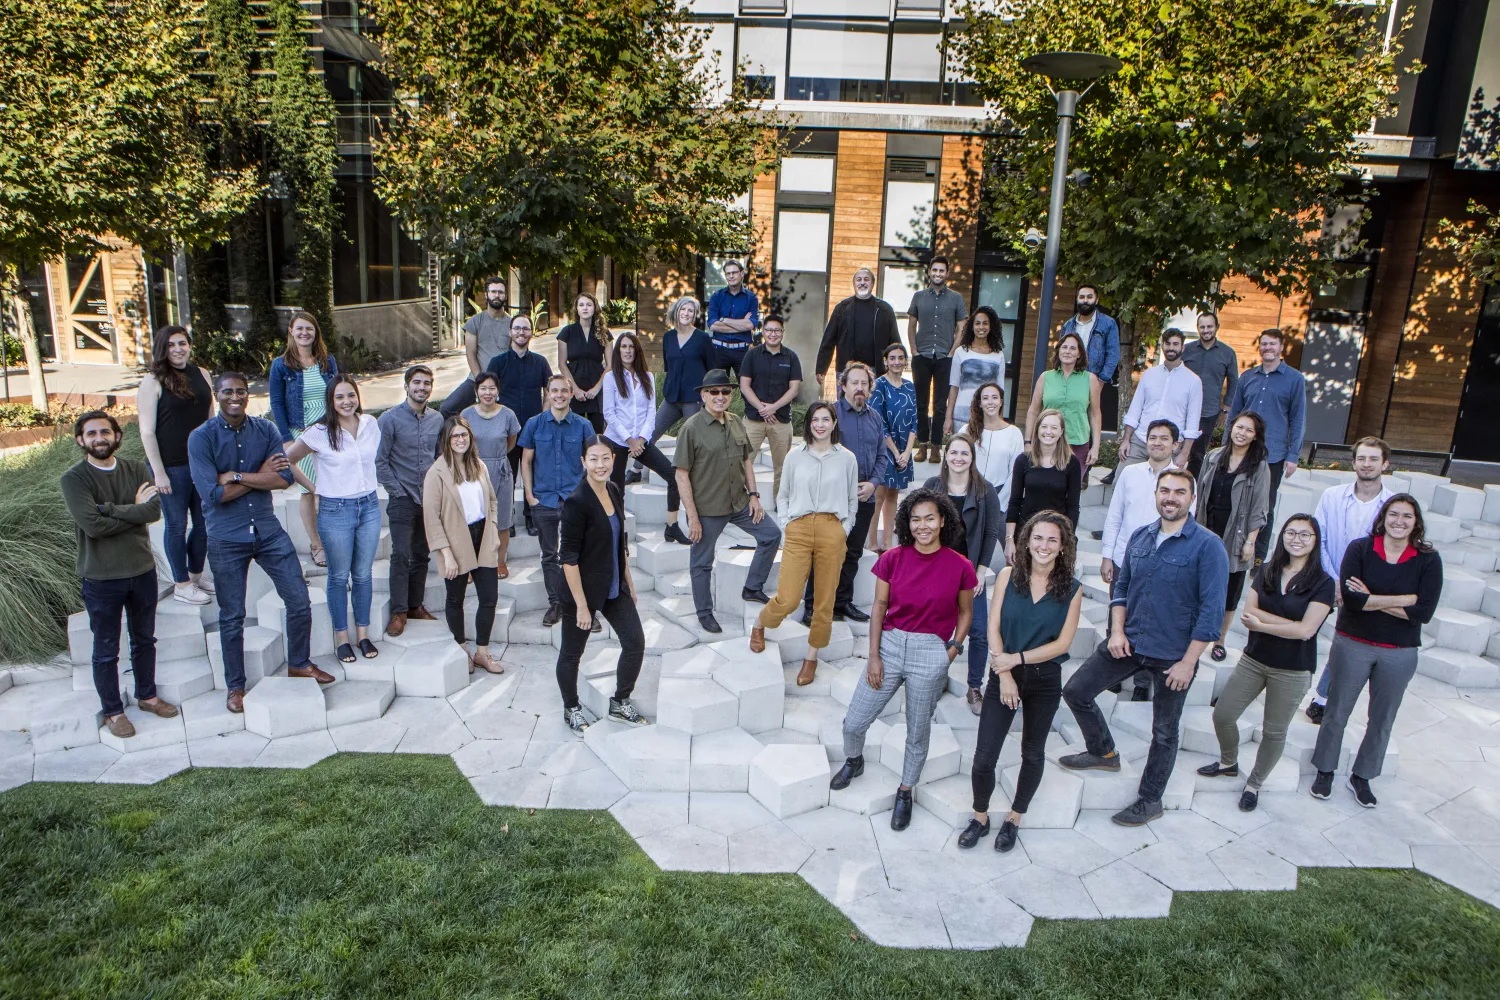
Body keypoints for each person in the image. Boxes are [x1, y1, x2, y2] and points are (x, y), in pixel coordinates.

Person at [1058, 468, 1228, 827]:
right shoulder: (1141, 537)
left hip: (1174, 657)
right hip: (1130, 642)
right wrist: (1116, 632)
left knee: (1164, 732)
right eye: (1164, 490)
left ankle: (1151, 800)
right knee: (1076, 691)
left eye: (1179, 492)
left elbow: (1212, 613)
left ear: (1192, 498)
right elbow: (1121, 590)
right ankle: (1103, 751)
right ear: (1155, 495)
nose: (1170, 497)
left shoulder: (1208, 546)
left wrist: (1188, 663)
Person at [830, 489, 976, 831]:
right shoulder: (893, 558)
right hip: (892, 644)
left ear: (942, 521)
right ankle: (855, 759)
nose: (922, 525)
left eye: (930, 518)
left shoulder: (960, 566)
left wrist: (951, 651)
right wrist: (874, 656)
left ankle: (905, 790)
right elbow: (879, 608)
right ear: (906, 523)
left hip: (932, 650)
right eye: (915, 519)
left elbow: (966, 611)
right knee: (854, 722)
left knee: (917, 729)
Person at [189, 372, 330, 714]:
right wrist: (259, 476)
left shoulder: (265, 430)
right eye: (227, 392)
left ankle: (299, 663)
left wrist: (237, 475)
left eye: (240, 391)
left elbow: (282, 479)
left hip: (267, 532)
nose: (234, 397)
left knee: (299, 599)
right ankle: (235, 687)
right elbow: (213, 494)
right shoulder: (201, 438)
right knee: (232, 615)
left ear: (247, 395)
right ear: (216, 395)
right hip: (226, 538)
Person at [960, 511, 1082, 852]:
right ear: (1027, 541)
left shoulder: (1072, 589)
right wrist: (1007, 673)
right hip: (1004, 675)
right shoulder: (1008, 576)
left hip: (1045, 679)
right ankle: (980, 817)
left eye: (1052, 540)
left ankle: (1014, 817)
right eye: (1038, 538)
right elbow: (993, 627)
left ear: (1062, 547)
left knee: (1032, 752)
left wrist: (1019, 660)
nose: (1044, 545)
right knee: (985, 755)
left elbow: (1062, 644)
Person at [1311, 494, 1441, 809]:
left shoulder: (1428, 558)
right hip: (1353, 642)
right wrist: (1404, 599)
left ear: (1416, 522)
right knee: (1337, 711)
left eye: (1407, 516)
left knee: (1382, 718)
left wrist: (1375, 598)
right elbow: (1354, 601)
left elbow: (1423, 612)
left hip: (1400, 651)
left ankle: (1363, 776)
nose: (1399, 521)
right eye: (1393, 514)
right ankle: (1325, 770)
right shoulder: (1361, 549)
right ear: (1382, 517)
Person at [1198, 515, 1334, 812]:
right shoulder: (1268, 570)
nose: (1296, 539)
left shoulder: (1323, 583)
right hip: (1254, 659)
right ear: (1282, 535)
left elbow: (1307, 631)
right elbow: (1249, 612)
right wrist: (1288, 624)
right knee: (1223, 715)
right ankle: (1229, 761)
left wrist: (1264, 624)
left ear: (1315, 540)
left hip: (1293, 669)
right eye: (1291, 532)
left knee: (1274, 732)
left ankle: (1255, 783)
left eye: (1305, 534)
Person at [59, 411, 178, 738]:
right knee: (106, 648)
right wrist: (131, 511)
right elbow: (93, 527)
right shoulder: (74, 479)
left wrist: (109, 508)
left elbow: (152, 512)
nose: (99, 438)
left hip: (141, 570)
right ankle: (113, 711)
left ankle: (147, 696)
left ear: (116, 436)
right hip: (101, 577)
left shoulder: (137, 469)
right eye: (92, 433)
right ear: (81, 440)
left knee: (144, 639)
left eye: (105, 432)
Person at [751, 402, 859, 686]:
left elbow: (852, 499)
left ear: (834, 423)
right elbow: (782, 493)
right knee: (789, 597)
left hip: (832, 529)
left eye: (826, 419)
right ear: (808, 423)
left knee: (824, 601)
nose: (820, 424)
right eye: (815, 419)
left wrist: (844, 529)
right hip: (799, 527)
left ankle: (811, 658)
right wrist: (787, 523)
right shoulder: (794, 456)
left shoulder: (847, 458)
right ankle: (760, 624)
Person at [674, 369, 782, 634]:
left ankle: (752, 588)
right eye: (714, 392)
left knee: (771, 535)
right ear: (703, 395)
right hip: (708, 508)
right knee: (701, 562)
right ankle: (704, 612)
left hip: (739, 502)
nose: (720, 396)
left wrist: (755, 496)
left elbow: (746, 459)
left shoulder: (735, 421)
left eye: (725, 391)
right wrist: (692, 516)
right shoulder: (691, 429)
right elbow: (681, 474)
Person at [284, 375, 383, 664]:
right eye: (339, 397)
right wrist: (315, 489)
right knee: (339, 576)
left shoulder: (370, 425)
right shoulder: (319, 432)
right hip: (335, 510)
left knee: (363, 574)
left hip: (368, 507)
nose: (346, 401)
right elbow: (287, 459)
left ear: (358, 396)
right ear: (331, 400)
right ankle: (342, 638)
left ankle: (362, 635)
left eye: (350, 395)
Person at [556, 437, 651, 735]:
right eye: (593, 459)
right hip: (580, 591)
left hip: (612, 585)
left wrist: (629, 582)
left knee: (635, 642)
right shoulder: (576, 502)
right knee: (572, 654)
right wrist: (583, 607)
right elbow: (568, 559)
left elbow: (618, 541)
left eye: (606, 458)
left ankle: (620, 701)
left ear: (613, 459)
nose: (600, 465)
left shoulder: (613, 489)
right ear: (583, 461)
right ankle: (571, 707)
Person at [1307, 436, 1395, 722]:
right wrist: (1333, 580)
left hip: (1363, 587)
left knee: (1343, 645)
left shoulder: (1391, 505)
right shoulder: (1332, 496)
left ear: (1385, 464)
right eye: (1361, 458)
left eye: (1373, 459)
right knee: (1303, 634)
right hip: (1325, 577)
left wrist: (1357, 589)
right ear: (1353, 462)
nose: (1366, 464)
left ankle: (1322, 699)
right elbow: (1318, 537)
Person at [1099, 418, 1181, 703]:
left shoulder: (1182, 480)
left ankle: (1142, 682)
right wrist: (1107, 555)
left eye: (1164, 438)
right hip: (1125, 558)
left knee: (1149, 621)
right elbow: (1115, 517)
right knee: (1117, 614)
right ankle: (1113, 672)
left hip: (1161, 565)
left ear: (1175, 444)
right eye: (1153, 437)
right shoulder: (1130, 473)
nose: (1157, 442)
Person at [802, 362, 888, 626]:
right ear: (843, 386)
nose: (859, 388)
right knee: (827, 551)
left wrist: (873, 483)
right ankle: (812, 606)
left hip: (866, 498)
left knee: (852, 553)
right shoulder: (831, 415)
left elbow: (882, 457)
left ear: (870, 388)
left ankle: (841, 603)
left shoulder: (875, 417)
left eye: (864, 383)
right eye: (854, 383)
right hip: (836, 498)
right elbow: (819, 455)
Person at [924, 433, 1003, 716]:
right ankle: (935, 679)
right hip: (938, 572)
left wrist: (981, 571)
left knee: (979, 631)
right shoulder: (933, 487)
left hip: (970, 574)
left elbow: (992, 532)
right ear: (946, 455)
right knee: (937, 630)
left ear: (972, 458)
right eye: (953, 452)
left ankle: (974, 687)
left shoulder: (985, 490)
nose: (958, 458)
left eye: (964, 453)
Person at [136, 325, 215, 605]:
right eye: (171, 345)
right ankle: (181, 583)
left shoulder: (202, 374)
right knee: (176, 525)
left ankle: (195, 574)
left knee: (205, 522)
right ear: (162, 349)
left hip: (201, 463)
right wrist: (158, 472)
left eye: (182, 343)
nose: (178, 349)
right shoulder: (153, 381)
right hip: (171, 466)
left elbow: (210, 420)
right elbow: (147, 431)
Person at [423, 416, 503, 675]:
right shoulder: (436, 473)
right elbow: (431, 517)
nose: (460, 440)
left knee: (489, 598)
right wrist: (446, 554)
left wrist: (493, 530)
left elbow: (491, 500)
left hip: (483, 535)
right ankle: (462, 649)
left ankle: (482, 652)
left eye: (464, 435)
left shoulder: (478, 465)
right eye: (455, 436)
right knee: (455, 599)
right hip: (455, 541)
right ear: (446, 440)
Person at [1226, 327, 1306, 561]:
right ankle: (1232, 548)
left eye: (1272, 344)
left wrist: (1293, 455)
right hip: (1242, 450)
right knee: (1236, 499)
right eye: (1264, 344)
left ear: (1281, 348)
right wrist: (1225, 445)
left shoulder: (1294, 379)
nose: (1267, 348)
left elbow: (1298, 418)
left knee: (1265, 507)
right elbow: (1234, 414)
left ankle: (1258, 557)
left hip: (1273, 453)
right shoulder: (1248, 377)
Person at [1196, 411, 1271, 661]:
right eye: (1240, 427)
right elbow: (1199, 495)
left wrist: (1251, 541)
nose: (1242, 433)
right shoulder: (1213, 456)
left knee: (1230, 591)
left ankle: (1219, 640)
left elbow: (1260, 508)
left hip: (1236, 536)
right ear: (1232, 428)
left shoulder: (1259, 467)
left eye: (1249, 430)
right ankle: (1193, 634)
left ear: (1255, 436)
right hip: (1207, 528)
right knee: (1199, 584)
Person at [267, 311, 340, 568]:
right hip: (301, 433)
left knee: (332, 486)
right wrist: (286, 438)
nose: (304, 333)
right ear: (291, 332)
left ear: (315, 332)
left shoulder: (327, 361)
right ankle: (317, 545)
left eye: (309, 329)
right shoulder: (281, 365)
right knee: (309, 489)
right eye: (299, 329)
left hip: (329, 431)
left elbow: (338, 393)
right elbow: (276, 403)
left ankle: (336, 540)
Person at [376, 365, 444, 636]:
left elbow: (439, 457)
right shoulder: (389, 420)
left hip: (428, 497)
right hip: (401, 496)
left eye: (427, 383)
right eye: (417, 382)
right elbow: (380, 461)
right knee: (400, 554)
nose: (422, 387)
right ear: (406, 386)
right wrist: (397, 490)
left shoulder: (437, 420)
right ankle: (399, 612)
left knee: (422, 555)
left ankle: (416, 606)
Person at [520, 375, 593, 627]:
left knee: (580, 553)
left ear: (571, 393)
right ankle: (556, 604)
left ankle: (584, 606)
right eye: (554, 390)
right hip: (545, 499)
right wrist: (530, 496)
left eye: (564, 391)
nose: (559, 395)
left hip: (575, 500)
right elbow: (526, 461)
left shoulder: (583, 426)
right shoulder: (534, 424)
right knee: (549, 555)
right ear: (548, 394)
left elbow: (592, 463)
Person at [602, 331, 688, 544]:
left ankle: (672, 526)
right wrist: (629, 439)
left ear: (637, 350)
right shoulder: (611, 378)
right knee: (616, 490)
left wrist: (641, 439)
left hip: (641, 441)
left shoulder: (647, 377)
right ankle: (617, 534)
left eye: (631, 347)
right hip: (617, 440)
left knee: (673, 476)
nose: (627, 351)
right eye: (623, 347)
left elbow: (651, 412)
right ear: (618, 351)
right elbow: (609, 413)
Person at [486, 313, 553, 535]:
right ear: (510, 332)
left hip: (533, 429)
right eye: (517, 328)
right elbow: (489, 393)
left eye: (525, 328)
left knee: (532, 474)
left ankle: (531, 516)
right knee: (508, 476)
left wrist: (543, 418)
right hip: (506, 430)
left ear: (531, 333)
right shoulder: (498, 362)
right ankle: (508, 520)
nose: (521, 332)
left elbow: (549, 391)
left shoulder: (540, 362)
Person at [461, 372, 522, 578]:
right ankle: (470, 564)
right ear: (477, 391)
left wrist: (498, 457)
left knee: (502, 520)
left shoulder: (508, 415)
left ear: (498, 390)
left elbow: (511, 441)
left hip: (501, 470)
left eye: (492, 388)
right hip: (473, 471)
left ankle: (499, 562)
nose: (488, 393)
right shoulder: (466, 415)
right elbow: (460, 441)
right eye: (483, 388)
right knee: (473, 520)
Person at [738, 313, 803, 506]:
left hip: (781, 420)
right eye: (768, 330)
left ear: (783, 332)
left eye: (776, 330)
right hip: (753, 419)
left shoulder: (791, 357)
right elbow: (744, 385)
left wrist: (773, 408)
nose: (772, 334)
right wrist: (762, 408)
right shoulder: (752, 355)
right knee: (742, 462)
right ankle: (739, 504)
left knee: (782, 467)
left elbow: (794, 389)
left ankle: (780, 504)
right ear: (763, 332)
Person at [907, 255, 967, 462]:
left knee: (941, 403)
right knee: (921, 403)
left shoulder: (956, 298)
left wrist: (952, 352)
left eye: (942, 270)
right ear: (929, 272)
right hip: (922, 355)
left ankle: (936, 446)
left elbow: (962, 327)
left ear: (947, 274)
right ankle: (922, 445)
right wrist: (913, 350)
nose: (938, 274)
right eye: (935, 270)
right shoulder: (918, 296)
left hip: (944, 357)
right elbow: (911, 325)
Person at [1004, 409, 1081, 563]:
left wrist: (1067, 540)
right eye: (1044, 426)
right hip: (1026, 532)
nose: (1048, 432)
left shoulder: (1071, 463)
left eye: (1054, 427)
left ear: (1061, 432)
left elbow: (1073, 507)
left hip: (1056, 535)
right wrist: (1009, 540)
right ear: (1037, 429)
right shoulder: (1023, 460)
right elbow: (1014, 502)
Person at [1119, 329, 1201, 470]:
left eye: (1175, 344)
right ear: (1162, 346)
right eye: (1167, 343)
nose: (1171, 348)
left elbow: (1192, 422)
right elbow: (1135, 410)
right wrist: (1126, 440)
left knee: (1162, 489)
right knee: (1120, 482)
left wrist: (1184, 453)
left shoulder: (1193, 381)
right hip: (1140, 440)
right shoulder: (1149, 374)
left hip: (1169, 446)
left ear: (1182, 348)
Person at [815, 267, 901, 394]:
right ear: (854, 283)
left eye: (866, 279)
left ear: (872, 283)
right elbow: (828, 340)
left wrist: (896, 365)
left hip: (876, 371)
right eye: (858, 279)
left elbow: (894, 343)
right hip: (846, 370)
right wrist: (821, 368)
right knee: (846, 410)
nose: (862, 282)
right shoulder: (842, 308)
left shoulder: (885, 310)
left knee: (875, 411)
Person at [1024, 331, 1101, 471]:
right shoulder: (1045, 377)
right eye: (1064, 347)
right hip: (1047, 442)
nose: (1067, 351)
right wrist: (1028, 442)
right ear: (1058, 350)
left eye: (1073, 348)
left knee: (1072, 490)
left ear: (1079, 354)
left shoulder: (1090, 379)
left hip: (1077, 444)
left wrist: (1095, 447)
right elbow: (1033, 410)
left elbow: (1095, 414)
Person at [647, 295, 713, 458]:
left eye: (690, 310)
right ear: (677, 311)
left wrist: (707, 395)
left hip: (694, 398)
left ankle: (694, 476)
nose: (686, 313)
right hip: (671, 397)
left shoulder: (703, 338)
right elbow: (669, 367)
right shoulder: (668, 337)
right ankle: (635, 469)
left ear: (695, 314)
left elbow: (712, 369)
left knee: (693, 439)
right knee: (650, 433)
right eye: (683, 309)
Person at [869, 342, 917, 552]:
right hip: (884, 448)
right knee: (878, 495)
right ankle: (871, 543)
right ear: (886, 361)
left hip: (904, 451)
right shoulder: (879, 385)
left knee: (893, 495)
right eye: (893, 358)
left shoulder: (910, 386)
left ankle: (888, 543)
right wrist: (896, 452)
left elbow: (915, 421)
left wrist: (907, 452)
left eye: (900, 358)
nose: (897, 362)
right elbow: (879, 422)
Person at [442, 276, 513, 418]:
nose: (497, 295)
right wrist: (480, 382)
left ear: (505, 296)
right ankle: (457, 438)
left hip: (503, 383)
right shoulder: (475, 322)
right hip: (476, 379)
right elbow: (471, 354)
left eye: (500, 292)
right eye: (493, 292)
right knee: (447, 408)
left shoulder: (512, 324)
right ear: (486, 295)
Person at [1182, 312, 1239, 477]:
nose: (1206, 330)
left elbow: (1233, 381)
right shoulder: (1187, 350)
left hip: (1208, 411)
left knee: (1197, 454)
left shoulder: (1227, 353)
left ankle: (1191, 489)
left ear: (1216, 328)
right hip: (1183, 409)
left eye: (1209, 326)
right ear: (1197, 328)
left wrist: (1226, 408)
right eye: (1202, 327)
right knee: (1176, 448)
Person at [944, 305, 1006, 437]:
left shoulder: (998, 354)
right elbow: (954, 387)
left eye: (985, 323)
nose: (981, 327)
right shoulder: (961, 352)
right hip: (961, 417)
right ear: (972, 326)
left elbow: (1000, 392)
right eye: (977, 323)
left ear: (991, 327)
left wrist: (999, 420)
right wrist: (948, 418)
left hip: (988, 417)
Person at [557, 292, 612, 436]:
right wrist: (574, 389)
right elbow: (562, 364)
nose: (585, 308)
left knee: (597, 433)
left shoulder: (604, 333)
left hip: (597, 389)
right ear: (576, 309)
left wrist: (596, 389)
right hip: (575, 388)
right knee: (574, 434)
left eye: (589, 305)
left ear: (595, 308)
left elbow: (610, 365)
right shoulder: (567, 332)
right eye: (581, 305)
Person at [970, 383, 1023, 513]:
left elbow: (1014, 473)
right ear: (980, 403)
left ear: (1001, 402)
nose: (990, 402)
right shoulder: (967, 431)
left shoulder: (1014, 433)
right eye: (985, 398)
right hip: (970, 496)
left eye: (994, 397)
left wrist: (998, 504)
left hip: (1000, 498)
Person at [705, 259, 761, 379]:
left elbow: (750, 325)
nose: (731, 276)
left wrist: (724, 320)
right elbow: (712, 325)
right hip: (718, 350)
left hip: (742, 350)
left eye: (734, 272)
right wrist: (741, 325)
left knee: (746, 390)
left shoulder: (751, 298)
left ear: (742, 274)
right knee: (716, 387)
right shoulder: (716, 296)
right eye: (728, 273)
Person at [1060, 284, 1120, 387]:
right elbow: (1060, 352)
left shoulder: (1108, 324)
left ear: (1096, 300)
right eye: (1082, 297)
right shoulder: (1068, 325)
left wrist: (1101, 381)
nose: (1085, 300)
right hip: (1068, 379)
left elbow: (1113, 354)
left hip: (1094, 380)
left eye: (1089, 297)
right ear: (1077, 299)